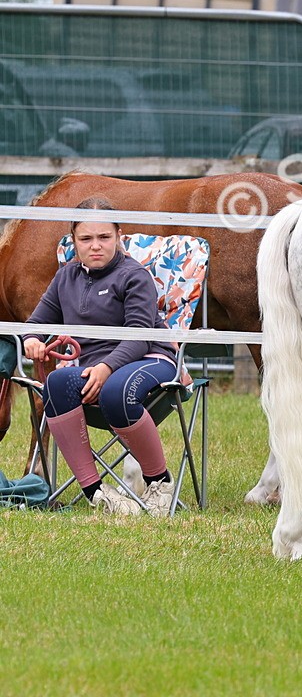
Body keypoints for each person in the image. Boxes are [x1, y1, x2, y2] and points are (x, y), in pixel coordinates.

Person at [22, 197, 178, 517]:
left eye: (105, 237)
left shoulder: (135, 276)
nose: (96, 246)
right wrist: (33, 340)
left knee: (115, 390)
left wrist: (106, 367)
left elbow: (138, 337)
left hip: (149, 358)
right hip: (93, 368)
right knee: (56, 383)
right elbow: (36, 324)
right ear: (74, 241)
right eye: (86, 239)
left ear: (119, 235)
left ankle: (159, 483)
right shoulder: (65, 277)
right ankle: (97, 493)